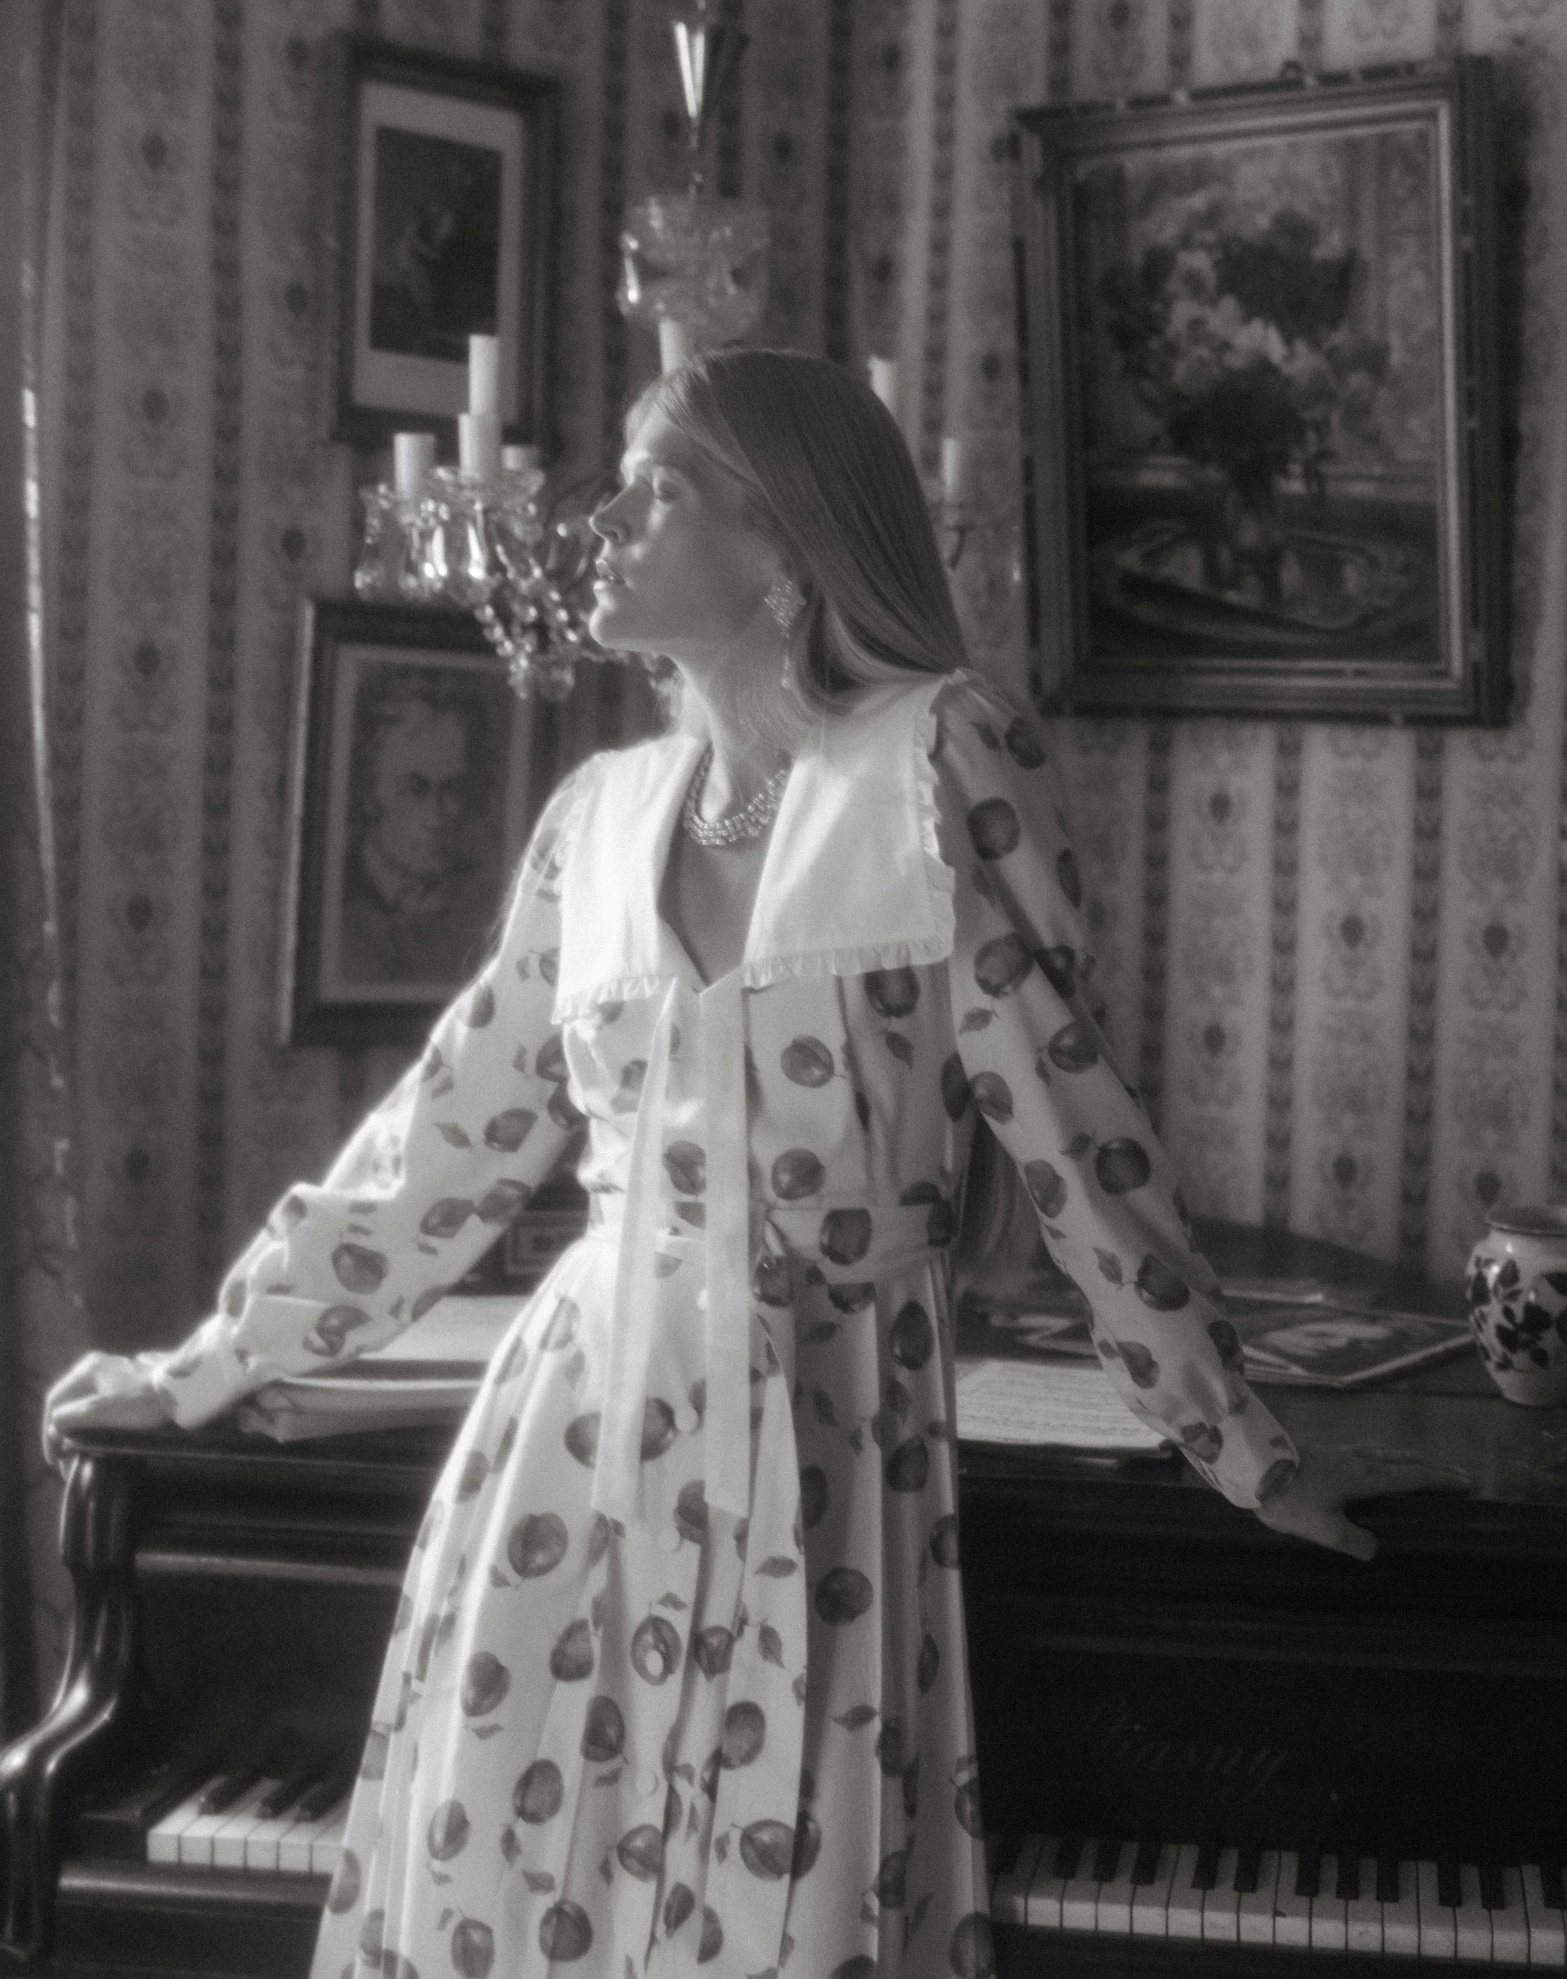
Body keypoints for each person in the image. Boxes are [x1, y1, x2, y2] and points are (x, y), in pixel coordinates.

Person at [45, 350, 1444, 1979]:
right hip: (574, 1432)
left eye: (660, 486)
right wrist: (204, 1369)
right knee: (523, 1896)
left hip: (837, 1429)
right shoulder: (596, 815)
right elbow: (439, 1142)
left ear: (783, 544)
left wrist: (1240, 1441)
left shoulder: (934, 765)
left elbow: (1076, 1133)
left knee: (789, 1909)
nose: (607, 520)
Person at [337, 665, 500, 990]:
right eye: (415, 788)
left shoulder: (483, 900)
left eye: (452, 789)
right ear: (371, 791)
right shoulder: (341, 898)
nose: (437, 815)